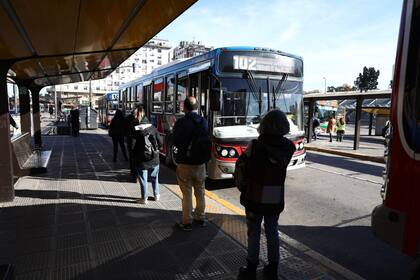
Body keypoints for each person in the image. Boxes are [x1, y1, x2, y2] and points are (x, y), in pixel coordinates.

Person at [235, 109, 295, 280]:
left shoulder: (256, 145)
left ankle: (251, 268)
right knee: (272, 231)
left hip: (255, 195)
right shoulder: (289, 147)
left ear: (265, 125)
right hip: (275, 196)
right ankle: (272, 269)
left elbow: (241, 165)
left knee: (253, 232)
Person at [173, 96, 211, 231]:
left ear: (185, 108)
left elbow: (175, 141)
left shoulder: (181, 123)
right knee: (200, 191)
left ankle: (187, 221)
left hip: (185, 163)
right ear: (197, 107)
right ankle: (200, 218)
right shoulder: (204, 122)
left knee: (187, 193)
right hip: (200, 163)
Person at [131, 105, 161, 204]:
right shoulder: (153, 127)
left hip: (141, 159)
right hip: (154, 158)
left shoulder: (136, 129)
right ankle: (157, 195)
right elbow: (160, 142)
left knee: (143, 179)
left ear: (138, 116)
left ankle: (144, 198)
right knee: (154, 177)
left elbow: (132, 146)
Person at [125, 109, 136, 178]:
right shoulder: (137, 120)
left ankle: (132, 171)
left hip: (130, 139)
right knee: (136, 156)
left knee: (131, 156)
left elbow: (124, 128)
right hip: (135, 140)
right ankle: (135, 173)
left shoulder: (127, 118)